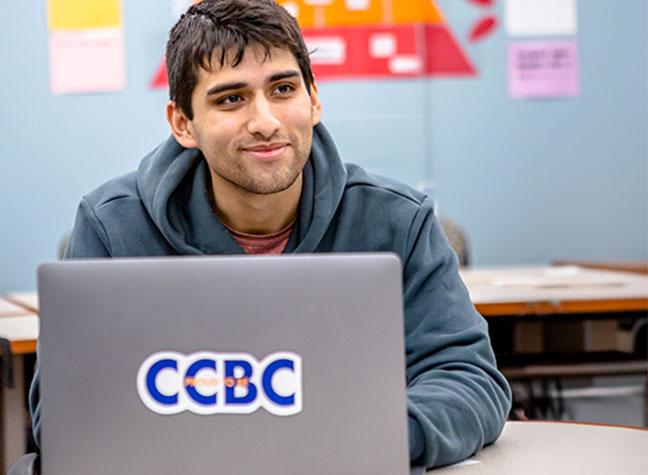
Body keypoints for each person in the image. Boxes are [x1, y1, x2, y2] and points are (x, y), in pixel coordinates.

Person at [29, 0, 511, 469]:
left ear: (314, 99)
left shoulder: (397, 220)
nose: (265, 122)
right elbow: (66, 414)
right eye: (231, 98)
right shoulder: (111, 226)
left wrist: (373, 440)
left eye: (283, 89)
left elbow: (467, 378)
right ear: (183, 123)